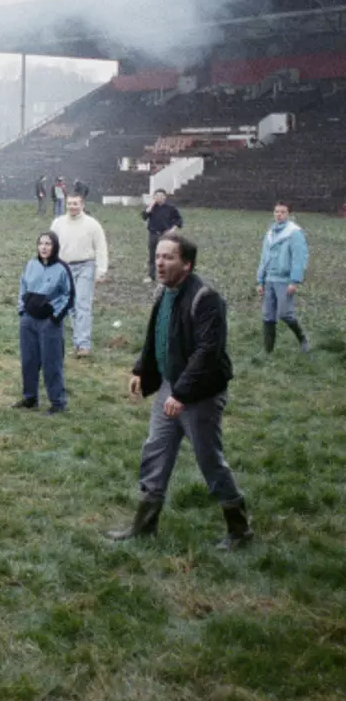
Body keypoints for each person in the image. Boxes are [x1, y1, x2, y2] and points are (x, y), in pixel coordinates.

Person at [109, 232, 253, 550]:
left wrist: (182, 394)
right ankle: (144, 526)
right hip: (170, 387)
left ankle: (239, 529)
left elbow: (207, 352)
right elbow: (158, 337)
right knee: (155, 452)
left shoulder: (206, 298)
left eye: (168, 257)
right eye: (158, 256)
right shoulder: (164, 293)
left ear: (186, 264)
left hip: (200, 394)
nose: (159, 262)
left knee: (209, 460)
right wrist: (140, 369)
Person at [15, 232, 75, 414]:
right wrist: (22, 310)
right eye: (41, 243)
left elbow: (69, 295)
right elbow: (23, 286)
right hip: (29, 321)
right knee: (28, 361)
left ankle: (58, 403)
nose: (44, 247)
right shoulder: (31, 265)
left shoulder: (62, 269)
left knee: (51, 363)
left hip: (49, 323)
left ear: (55, 246)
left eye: (48, 244)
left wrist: (55, 316)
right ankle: (30, 398)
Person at [50, 194, 109, 357]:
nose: (72, 207)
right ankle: (77, 341)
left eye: (75, 204)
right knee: (70, 307)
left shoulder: (92, 225)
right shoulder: (58, 223)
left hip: (85, 266)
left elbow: (101, 248)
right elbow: (51, 245)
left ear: (82, 205)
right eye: (69, 204)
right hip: (64, 266)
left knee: (83, 303)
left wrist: (101, 270)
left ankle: (84, 344)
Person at [257, 201, 311, 354]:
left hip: (284, 280)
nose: (279, 215)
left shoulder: (294, 233)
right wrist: (260, 280)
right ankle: (268, 351)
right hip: (269, 279)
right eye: (276, 212)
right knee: (268, 315)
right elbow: (264, 258)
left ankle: (302, 338)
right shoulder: (270, 233)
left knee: (284, 314)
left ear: (288, 214)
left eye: (282, 212)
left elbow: (299, 258)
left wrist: (294, 280)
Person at [141, 188, 183, 284]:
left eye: (161, 196)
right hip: (153, 235)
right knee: (152, 256)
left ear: (165, 197)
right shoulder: (151, 208)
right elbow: (144, 216)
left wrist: (172, 229)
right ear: (154, 197)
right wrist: (151, 205)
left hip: (165, 235)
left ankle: (167, 276)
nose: (159, 198)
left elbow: (179, 220)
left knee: (166, 256)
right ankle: (151, 276)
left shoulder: (171, 208)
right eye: (157, 196)